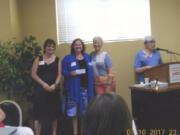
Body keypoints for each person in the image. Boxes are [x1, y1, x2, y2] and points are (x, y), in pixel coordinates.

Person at [62, 38, 94, 135]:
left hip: (86, 89)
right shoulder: (68, 58)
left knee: (84, 112)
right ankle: (75, 131)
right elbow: (63, 71)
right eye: (76, 44)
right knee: (74, 113)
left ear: (82, 46)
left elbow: (92, 70)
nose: (78, 46)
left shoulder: (87, 57)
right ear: (73, 46)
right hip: (73, 90)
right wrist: (69, 73)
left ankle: (83, 130)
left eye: (80, 44)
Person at [31, 39, 61, 135]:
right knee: (37, 116)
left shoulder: (58, 60)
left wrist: (54, 85)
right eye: (48, 46)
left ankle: (54, 133)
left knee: (54, 115)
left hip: (53, 91)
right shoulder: (38, 59)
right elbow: (33, 74)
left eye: (53, 46)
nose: (51, 48)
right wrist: (43, 84)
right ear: (45, 47)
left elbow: (59, 75)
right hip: (40, 91)